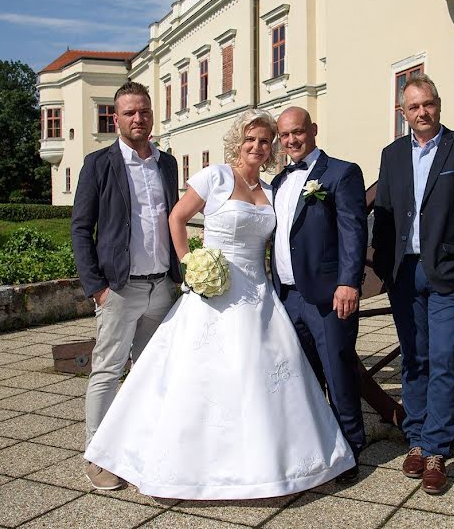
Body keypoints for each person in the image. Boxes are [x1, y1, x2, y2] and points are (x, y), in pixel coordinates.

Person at [84, 108, 356, 500]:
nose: (258, 147)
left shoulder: (272, 190)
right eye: (251, 140)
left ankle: (271, 462)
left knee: (259, 375)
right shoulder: (215, 176)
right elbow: (176, 218)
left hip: (258, 294)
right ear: (237, 142)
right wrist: (190, 264)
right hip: (211, 293)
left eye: (265, 141)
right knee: (197, 376)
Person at [371, 74, 454, 495]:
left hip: (452, 274)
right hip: (405, 274)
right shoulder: (391, 155)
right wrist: (386, 269)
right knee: (414, 358)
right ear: (402, 113)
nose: (422, 113)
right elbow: (385, 213)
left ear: (438, 105)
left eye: (428, 104)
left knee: (443, 359)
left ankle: (437, 450)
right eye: (413, 107)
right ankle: (417, 438)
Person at [71, 81, 182, 490]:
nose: (138, 119)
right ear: (115, 119)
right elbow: (81, 229)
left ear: (152, 115)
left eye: (145, 111)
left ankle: (141, 445)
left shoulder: (166, 165)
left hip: (161, 287)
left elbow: (173, 220)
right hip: (118, 288)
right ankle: (97, 454)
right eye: (130, 113)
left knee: (151, 371)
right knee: (107, 371)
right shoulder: (98, 164)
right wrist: (96, 287)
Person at [271, 106, 368, 482]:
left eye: (297, 132)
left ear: (313, 129)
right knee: (304, 378)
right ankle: (317, 447)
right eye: (285, 135)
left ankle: (351, 448)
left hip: (328, 294)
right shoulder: (279, 182)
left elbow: (353, 230)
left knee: (337, 369)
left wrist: (349, 282)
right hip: (287, 296)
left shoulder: (341, 173)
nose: (291, 140)